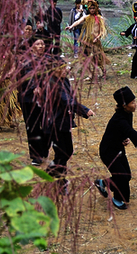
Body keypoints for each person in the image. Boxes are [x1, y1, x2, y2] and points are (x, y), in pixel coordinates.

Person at [94, 87, 137, 210]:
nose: (135, 105)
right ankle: (117, 198)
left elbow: (125, 130)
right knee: (121, 177)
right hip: (108, 152)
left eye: (134, 101)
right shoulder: (118, 119)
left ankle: (102, 183)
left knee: (127, 176)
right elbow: (129, 129)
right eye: (132, 103)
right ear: (124, 105)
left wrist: (125, 138)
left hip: (118, 149)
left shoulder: (128, 113)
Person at [42, 59, 95, 192]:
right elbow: (66, 101)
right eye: (63, 68)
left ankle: (51, 171)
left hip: (64, 121)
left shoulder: (63, 80)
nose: (67, 70)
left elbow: (70, 98)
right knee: (62, 153)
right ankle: (60, 182)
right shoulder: (52, 84)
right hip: (55, 123)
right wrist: (84, 110)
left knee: (67, 151)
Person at [66, 0, 108, 79]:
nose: (92, 10)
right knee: (85, 58)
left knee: (97, 58)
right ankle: (90, 74)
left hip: (95, 41)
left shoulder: (100, 18)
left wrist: (98, 37)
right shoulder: (87, 17)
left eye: (93, 8)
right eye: (90, 8)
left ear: (96, 8)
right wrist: (71, 26)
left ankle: (104, 72)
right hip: (87, 40)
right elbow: (78, 21)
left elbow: (102, 31)